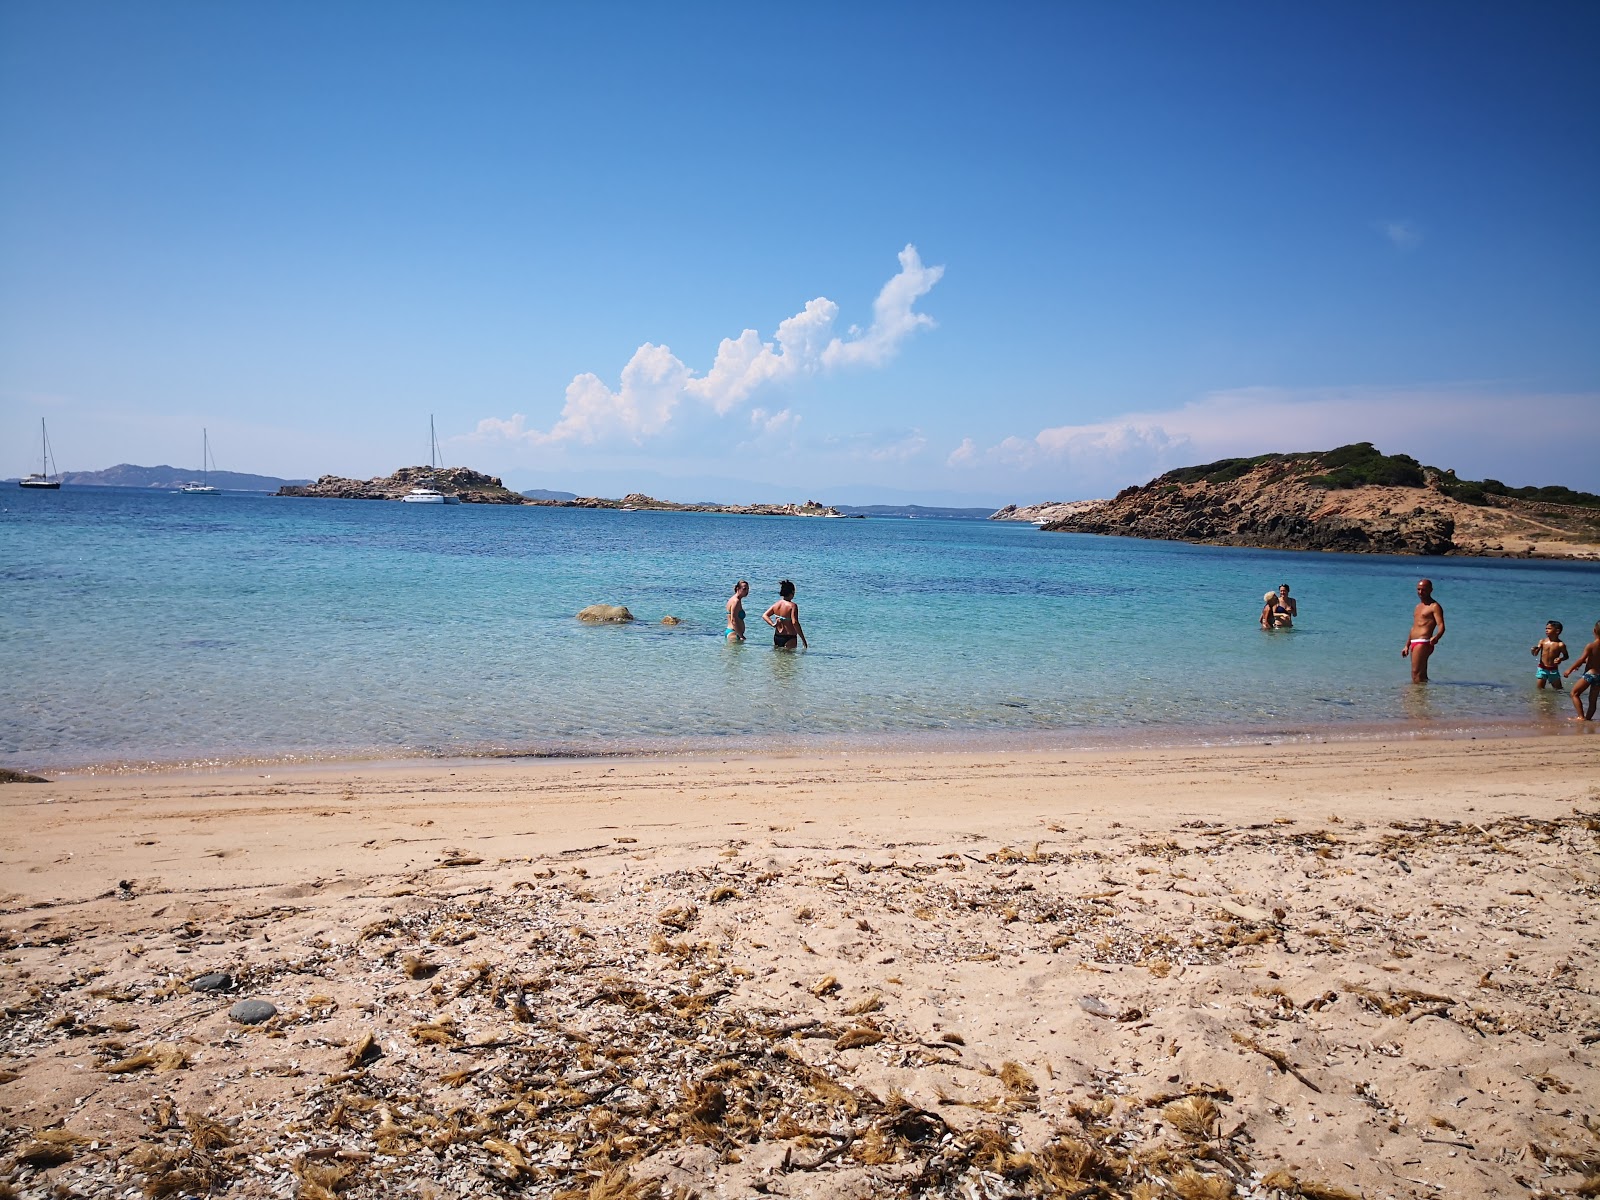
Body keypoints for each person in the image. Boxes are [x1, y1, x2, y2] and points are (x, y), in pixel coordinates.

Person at [1401, 578, 1445, 683]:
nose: (1421, 592)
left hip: (1424, 642)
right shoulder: (1418, 607)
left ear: (1430, 590)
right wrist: (1407, 645)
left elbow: (1441, 625)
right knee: (1421, 675)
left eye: (1424, 589)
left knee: (1415, 674)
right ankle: (1423, 696)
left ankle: (1416, 697)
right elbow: (1414, 627)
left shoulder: (1434, 606)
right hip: (1414, 642)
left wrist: (1436, 637)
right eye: (1419, 589)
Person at [1564, 621, 1600, 720]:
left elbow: (1581, 659)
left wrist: (1569, 669)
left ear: (1594, 631)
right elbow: (1593, 659)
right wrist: (1583, 663)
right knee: (1592, 701)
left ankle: (1581, 717)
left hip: (1590, 674)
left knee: (1574, 693)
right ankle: (1588, 719)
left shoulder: (1591, 645)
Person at [763, 579, 808, 650]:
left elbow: (765, 615)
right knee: (789, 660)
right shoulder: (793, 606)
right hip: (789, 637)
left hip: (777, 636)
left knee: (778, 659)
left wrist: (773, 624)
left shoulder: (776, 604)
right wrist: (803, 639)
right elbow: (795, 622)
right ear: (792, 592)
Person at [1531, 620, 1567, 690]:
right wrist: (1533, 650)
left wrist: (1560, 659)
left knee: (1558, 690)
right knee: (1540, 690)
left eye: (1549, 628)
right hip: (1542, 669)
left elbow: (1566, 656)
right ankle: (1541, 701)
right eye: (1546, 628)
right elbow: (1535, 654)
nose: (1546, 630)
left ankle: (1559, 700)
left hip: (1553, 670)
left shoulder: (1560, 644)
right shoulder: (1542, 641)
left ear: (1557, 631)